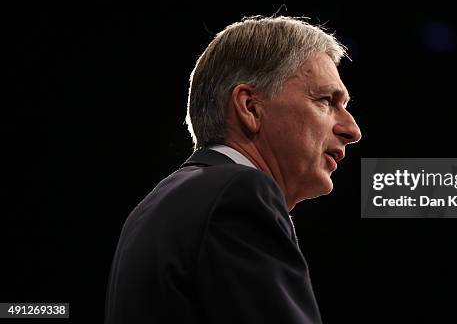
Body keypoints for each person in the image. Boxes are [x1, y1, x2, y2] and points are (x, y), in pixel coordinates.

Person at [104, 16, 361, 323]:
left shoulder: (161, 204)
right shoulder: (239, 193)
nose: (352, 129)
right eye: (325, 100)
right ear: (250, 107)